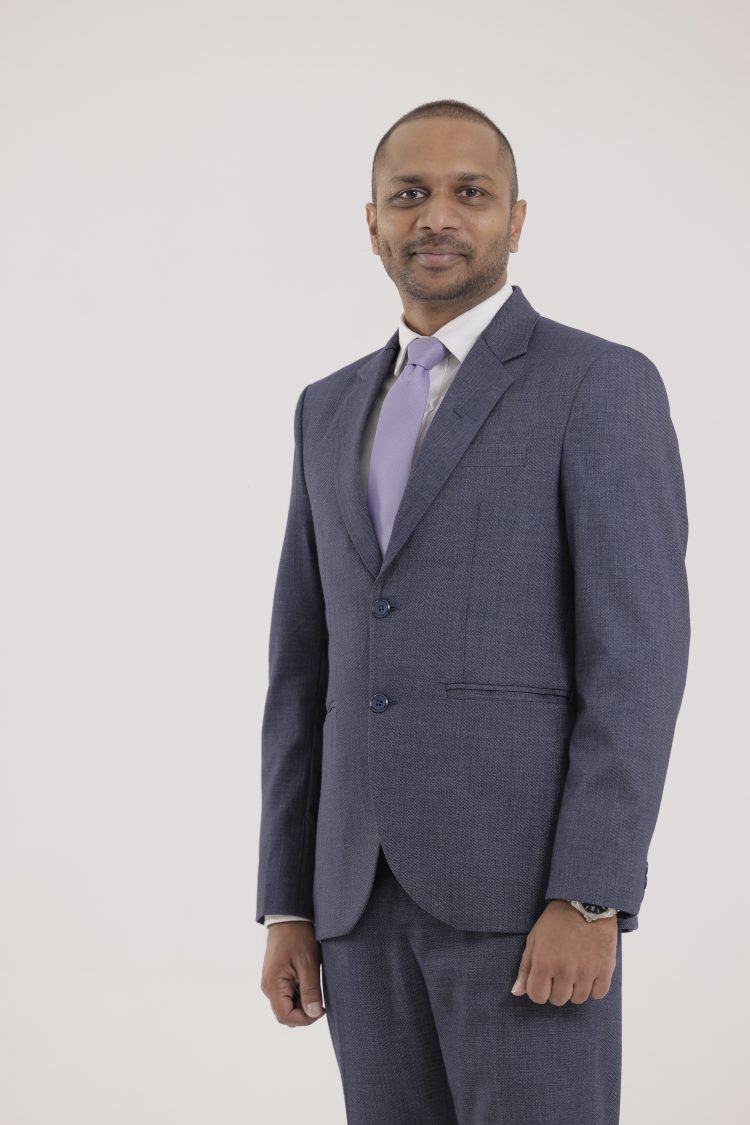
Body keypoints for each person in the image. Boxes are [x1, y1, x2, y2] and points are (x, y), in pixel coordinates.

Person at [256, 98, 690, 1124]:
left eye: (470, 193)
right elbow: (303, 669)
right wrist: (288, 900)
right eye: (409, 194)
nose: (437, 217)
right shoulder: (326, 408)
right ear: (373, 221)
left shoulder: (599, 384)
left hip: (527, 905)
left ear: (516, 219)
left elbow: (636, 660)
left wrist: (591, 892)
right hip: (356, 904)